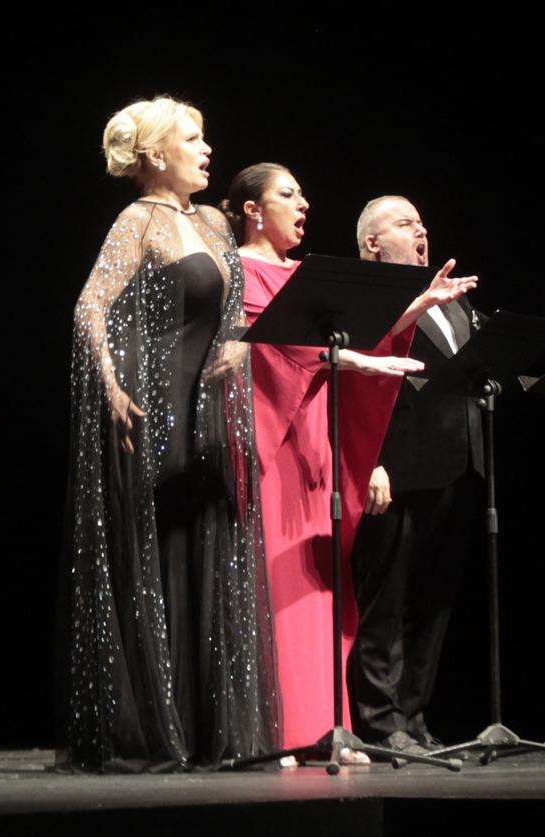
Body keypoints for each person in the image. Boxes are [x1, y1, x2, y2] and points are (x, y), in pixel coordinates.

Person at [221, 166, 476, 756]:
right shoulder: (247, 270)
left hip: (334, 445)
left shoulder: (316, 276)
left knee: (337, 594)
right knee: (315, 588)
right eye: (288, 194)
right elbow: (295, 356)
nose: (304, 203)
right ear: (253, 209)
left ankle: (336, 725)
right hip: (296, 441)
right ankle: (301, 727)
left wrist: (406, 322)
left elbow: (362, 351)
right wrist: (363, 380)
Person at [59, 98, 278, 772]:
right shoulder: (139, 221)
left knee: (209, 554)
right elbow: (89, 306)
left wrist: (242, 342)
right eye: (192, 138)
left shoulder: (210, 221)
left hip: (210, 411)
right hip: (156, 410)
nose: (207, 148)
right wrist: (111, 387)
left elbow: (236, 310)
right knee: (165, 559)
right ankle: (156, 727)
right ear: (155, 156)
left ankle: (210, 728)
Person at [348, 196, 484, 756]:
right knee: (388, 600)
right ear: (373, 243)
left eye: (423, 223)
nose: (421, 232)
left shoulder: (450, 301)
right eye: (406, 225)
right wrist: (369, 461)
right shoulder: (367, 297)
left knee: (435, 600)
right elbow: (352, 388)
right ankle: (380, 722)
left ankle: (414, 715)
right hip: (397, 470)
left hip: (458, 467)